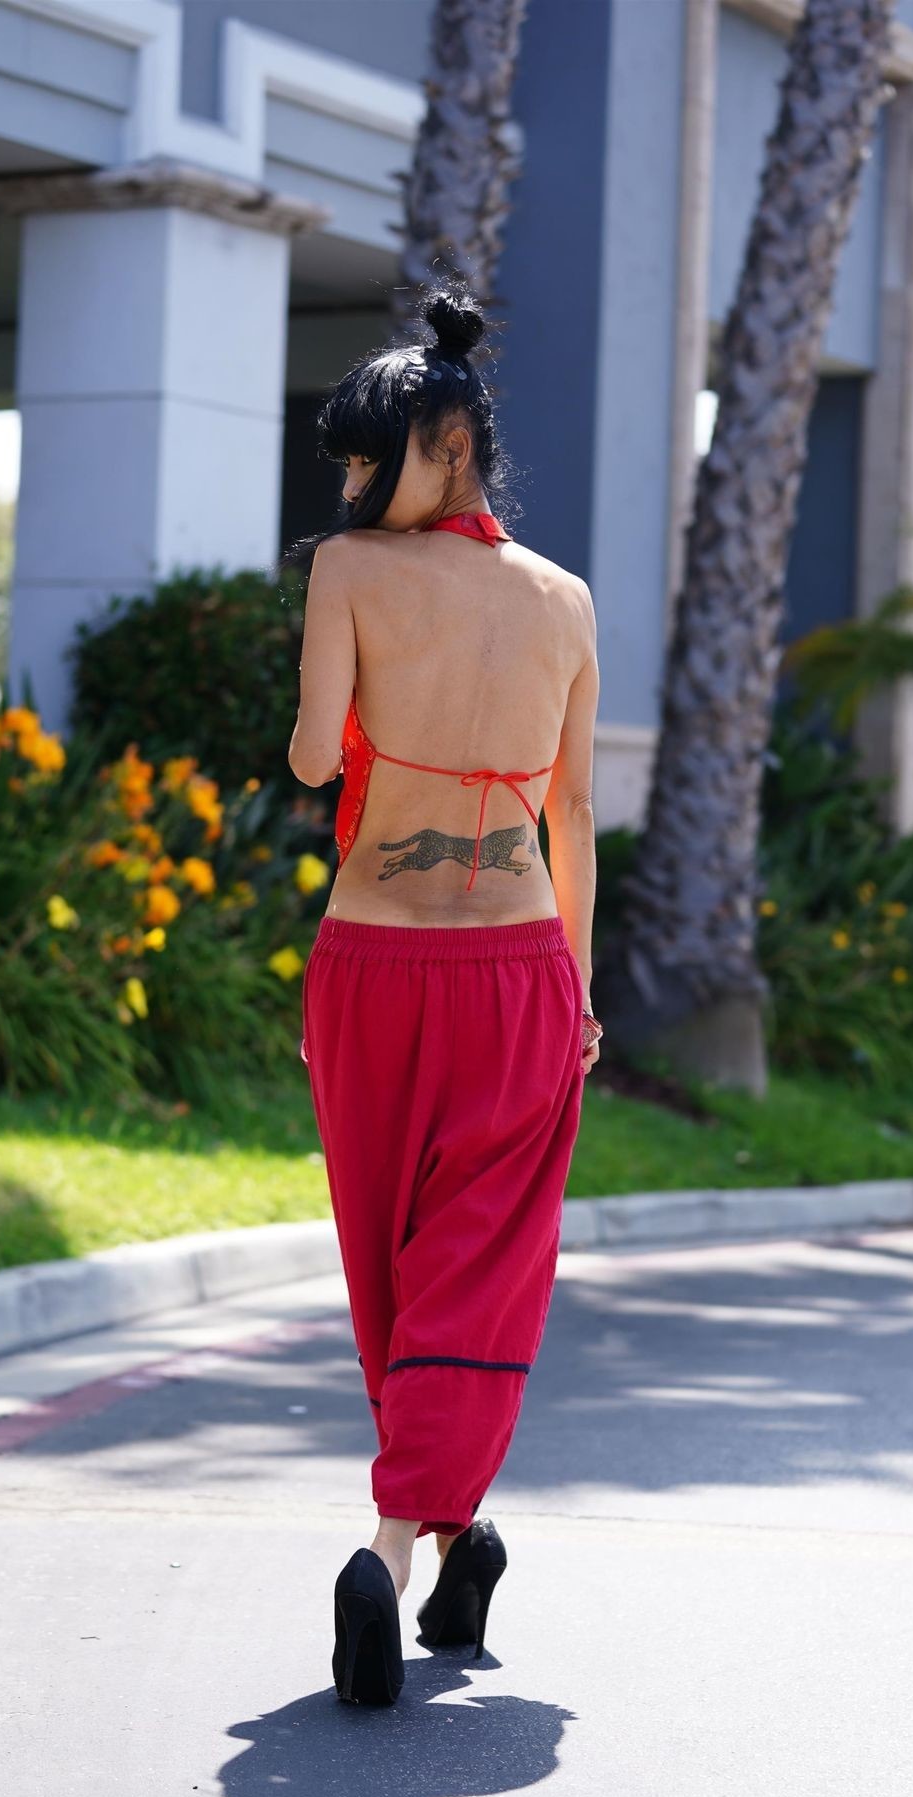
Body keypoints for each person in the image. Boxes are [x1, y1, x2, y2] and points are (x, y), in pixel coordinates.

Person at [285, 282, 601, 1707]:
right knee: (480, 1259)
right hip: (521, 968)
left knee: (390, 1261)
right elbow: (572, 814)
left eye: (374, 456)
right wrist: (577, 997)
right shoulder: (566, 601)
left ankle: (401, 1549)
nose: (357, 483)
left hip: (371, 965)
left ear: (452, 443)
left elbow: (312, 759)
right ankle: (442, 1536)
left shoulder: (349, 571)